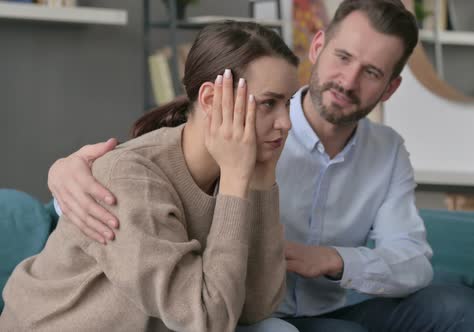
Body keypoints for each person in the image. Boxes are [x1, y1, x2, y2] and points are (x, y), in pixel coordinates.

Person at [45, 1, 474, 331]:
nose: (349, 81)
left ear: (390, 87)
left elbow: (413, 260)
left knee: (462, 307)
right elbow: (143, 185)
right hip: (258, 311)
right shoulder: (239, 129)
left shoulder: (385, 150)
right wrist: (65, 174)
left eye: (372, 72)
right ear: (318, 46)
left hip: (323, 300)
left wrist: (335, 260)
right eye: (343, 58)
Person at [0, 21, 301, 332]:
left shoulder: (230, 171)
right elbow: (210, 320)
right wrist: (237, 181)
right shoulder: (130, 178)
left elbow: (257, 306)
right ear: (212, 100)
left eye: (288, 103)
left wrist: (262, 178)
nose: (286, 123)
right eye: (269, 103)